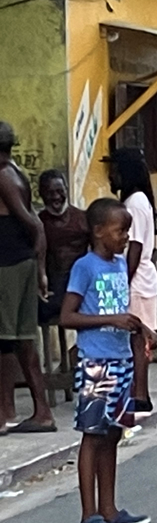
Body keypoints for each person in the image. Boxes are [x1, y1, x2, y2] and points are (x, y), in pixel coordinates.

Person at [60, 198, 153, 523]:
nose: (126, 237)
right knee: (94, 434)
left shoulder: (117, 265)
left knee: (113, 433)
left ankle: (110, 508)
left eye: (127, 230)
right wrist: (111, 319)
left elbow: (119, 308)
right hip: (97, 363)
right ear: (98, 231)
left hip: (122, 361)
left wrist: (141, 328)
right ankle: (89, 515)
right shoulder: (85, 267)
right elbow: (68, 316)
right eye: (120, 231)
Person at [0, 121, 56, 434]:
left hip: (8, 264)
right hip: (21, 263)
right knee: (21, 342)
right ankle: (41, 411)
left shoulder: (4, 176)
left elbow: (33, 223)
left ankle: (5, 411)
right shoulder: (16, 172)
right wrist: (41, 269)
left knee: (5, 341)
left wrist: (41, 268)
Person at [109, 148, 157, 414]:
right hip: (139, 277)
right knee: (136, 338)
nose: (110, 175)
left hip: (137, 279)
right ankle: (137, 391)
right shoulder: (135, 201)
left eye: (114, 169)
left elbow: (135, 248)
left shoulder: (135, 203)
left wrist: (122, 284)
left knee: (138, 339)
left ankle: (140, 394)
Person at [38, 169, 90, 326]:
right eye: (50, 192)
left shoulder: (83, 219)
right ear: (41, 194)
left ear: (67, 191)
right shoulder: (38, 224)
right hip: (52, 291)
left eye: (60, 191)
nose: (55, 197)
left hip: (82, 289)